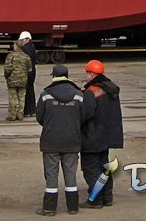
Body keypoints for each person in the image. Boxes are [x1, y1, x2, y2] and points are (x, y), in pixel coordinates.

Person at [36, 64, 85, 216]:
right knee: (70, 174)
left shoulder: (45, 95)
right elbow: (83, 117)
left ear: (53, 76)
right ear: (67, 76)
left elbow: (40, 117)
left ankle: (49, 208)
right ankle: (73, 207)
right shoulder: (78, 95)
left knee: (51, 174)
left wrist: (52, 125)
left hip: (51, 141)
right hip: (72, 140)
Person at [80, 60, 123, 209]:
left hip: (92, 136)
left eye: (87, 73)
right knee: (104, 166)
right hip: (106, 136)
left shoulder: (92, 91)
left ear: (92, 74)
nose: (86, 76)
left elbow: (85, 114)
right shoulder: (111, 89)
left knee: (91, 168)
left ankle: (95, 199)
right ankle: (107, 197)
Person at [4, 38, 33, 121]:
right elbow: (30, 70)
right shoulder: (26, 57)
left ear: (16, 46)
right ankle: (20, 114)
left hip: (12, 80)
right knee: (22, 97)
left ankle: (12, 115)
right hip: (23, 80)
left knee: (13, 98)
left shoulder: (11, 56)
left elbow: (7, 69)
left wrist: (7, 76)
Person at [20, 31, 39, 116]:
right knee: (31, 90)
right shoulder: (32, 47)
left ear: (27, 39)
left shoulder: (24, 49)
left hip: (26, 71)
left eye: (23, 39)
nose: (22, 41)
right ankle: (32, 110)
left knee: (26, 91)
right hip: (33, 71)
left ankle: (27, 111)